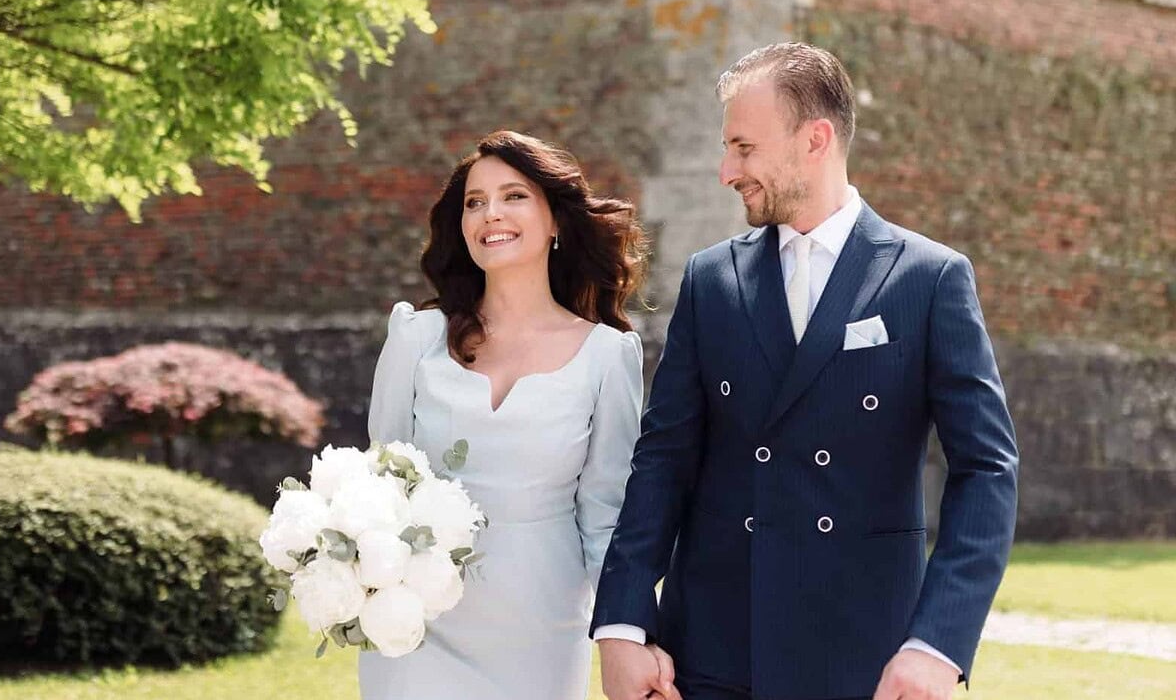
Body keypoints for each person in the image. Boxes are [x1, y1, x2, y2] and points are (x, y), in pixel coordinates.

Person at [593, 42, 1020, 700]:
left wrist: (938, 643)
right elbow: (663, 459)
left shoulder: (929, 278)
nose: (726, 171)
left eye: (744, 148)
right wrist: (622, 621)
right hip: (711, 655)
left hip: (868, 657)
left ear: (815, 139)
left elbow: (987, 470)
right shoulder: (712, 278)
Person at [360, 130, 651, 699]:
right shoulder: (416, 337)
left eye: (513, 196)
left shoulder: (607, 356)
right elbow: (380, 484)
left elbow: (605, 516)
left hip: (541, 628)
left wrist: (627, 633)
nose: (490, 213)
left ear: (556, 220)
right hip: (417, 624)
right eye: (475, 202)